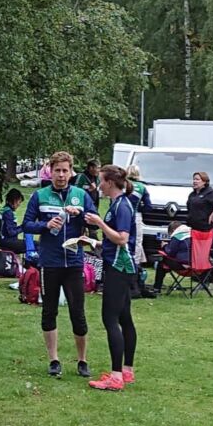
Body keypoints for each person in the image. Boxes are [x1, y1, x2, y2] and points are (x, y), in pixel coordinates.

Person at [23, 151, 97, 378]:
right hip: (50, 262)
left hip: (74, 262)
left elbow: (95, 223)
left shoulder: (81, 195)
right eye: (57, 171)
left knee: (78, 313)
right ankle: (53, 359)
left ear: (71, 172)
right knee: (49, 311)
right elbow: (26, 225)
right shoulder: (40, 196)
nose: (61, 175)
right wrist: (45, 225)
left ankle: (82, 360)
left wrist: (81, 214)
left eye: (65, 171)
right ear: (50, 171)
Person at [84, 165, 137, 391]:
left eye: (101, 180)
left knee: (110, 318)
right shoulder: (117, 204)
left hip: (119, 267)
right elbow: (113, 239)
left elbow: (122, 239)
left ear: (110, 182)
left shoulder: (122, 206)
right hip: (118, 264)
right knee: (124, 317)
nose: (99, 185)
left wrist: (99, 223)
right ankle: (126, 371)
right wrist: (94, 242)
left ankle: (115, 377)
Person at [186, 172, 213, 254]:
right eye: (194, 179)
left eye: (197, 179)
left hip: (205, 229)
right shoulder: (192, 194)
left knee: (203, 252)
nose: (194, 181)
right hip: (192, 228)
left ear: (204, 182)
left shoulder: (209, 193)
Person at [153, 221, 191, 293]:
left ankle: (157, 288)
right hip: (197, 266)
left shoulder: (177, 236)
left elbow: (170, 253)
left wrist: (164, 246)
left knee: (161, 262)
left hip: (183, 265)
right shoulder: (192, 234)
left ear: (173, 230)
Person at [127, 164, 152, 267]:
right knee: (137, 241)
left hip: (122, 214)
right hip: (136, 215)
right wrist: (140, 209)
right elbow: (148, 206)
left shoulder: (123, 185)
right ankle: (136, 265)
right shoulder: (142, 187)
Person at [0, 188, 25, 253]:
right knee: (36, 245)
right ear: (14, 200)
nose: (19, 204)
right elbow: (11, 232)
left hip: (3, 241)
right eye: (19, 202)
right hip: (7, 242)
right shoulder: (8, 212)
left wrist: (23, 226)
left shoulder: (5, 210)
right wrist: (23, 228)